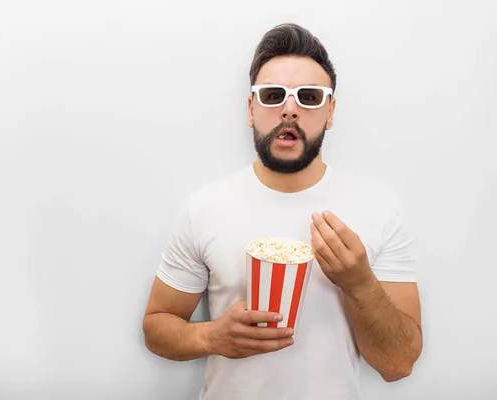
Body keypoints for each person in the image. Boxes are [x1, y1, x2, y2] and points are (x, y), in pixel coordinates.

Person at [142, 22, 423, 400]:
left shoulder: (378, 208)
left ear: (330, 111)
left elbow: (398, 364)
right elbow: (156, 327)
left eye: (308, 97)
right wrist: (208, 335)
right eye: (273, 95)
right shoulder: (204, 208)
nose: (289, 109)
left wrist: (359, 282)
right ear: (251, 108)